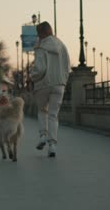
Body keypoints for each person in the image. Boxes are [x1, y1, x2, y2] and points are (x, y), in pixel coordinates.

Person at [30, 21, 70, 157]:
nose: (37, 36)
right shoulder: (61, 45)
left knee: (42, 111)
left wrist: (32, 77)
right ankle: (52, 145)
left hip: (43, 84)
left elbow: (40, 69)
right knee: (53, 115)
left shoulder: (41, 46)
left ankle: (42, 136)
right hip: (59, 84)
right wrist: (63, 82)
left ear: (42, 33)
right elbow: (66, 66)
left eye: (38, 33)